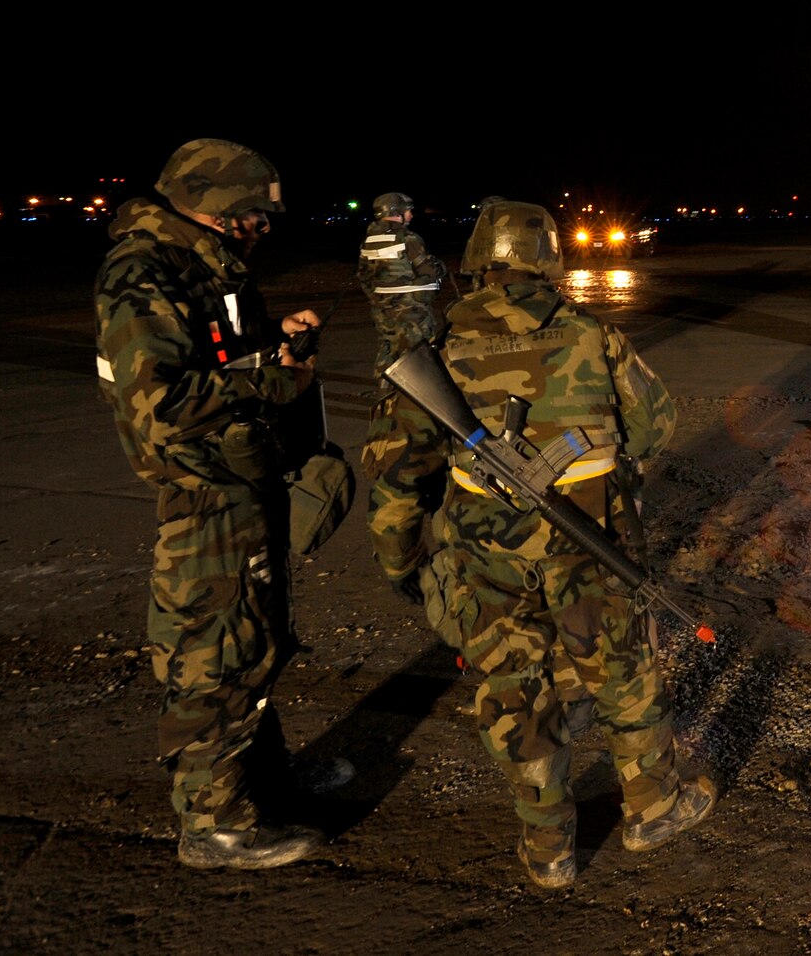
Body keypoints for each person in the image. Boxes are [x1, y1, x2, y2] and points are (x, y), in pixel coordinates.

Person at [364, 199, 714, 889]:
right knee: (621, 670)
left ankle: (549, 848)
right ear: (548, 261)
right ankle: (653, 807)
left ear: (474, 264)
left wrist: (402, 560)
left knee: (513, 685)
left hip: (485, 550)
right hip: (590, 540)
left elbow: (396, 471)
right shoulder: (592, 335)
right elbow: (654, 428)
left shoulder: (437, 348)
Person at [94, 138, 352, 870]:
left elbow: (213, 362)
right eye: (252, 216)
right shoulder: (145, 274)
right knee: (215, 651)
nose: (261, 230)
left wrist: (276, 347)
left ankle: (262, 782)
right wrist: (274, 383)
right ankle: (216, 822)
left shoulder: (205, 268)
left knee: (256, 638)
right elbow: (163, 402)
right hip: (204, 492)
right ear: (213, 207)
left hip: (242, 479)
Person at [355, 191, 447, 385]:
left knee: (387, 351)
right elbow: (428, 270)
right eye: (408, 211)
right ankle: (417, 403)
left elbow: (363, 276)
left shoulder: (369, 240)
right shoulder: (408, 238)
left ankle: (384, 397)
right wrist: (440, 267)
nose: (411, 215)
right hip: (411, 312)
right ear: (398, 212)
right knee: (419, 356)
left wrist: (379, 300)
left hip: (382, 311)